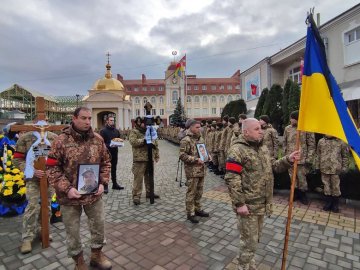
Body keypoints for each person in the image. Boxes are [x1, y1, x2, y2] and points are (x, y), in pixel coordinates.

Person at [225, 118, 300, 270]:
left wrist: (288, 160)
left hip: (262, 204)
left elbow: (273, 166)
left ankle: (250, 264)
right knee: (249, 243)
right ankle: (243, 266)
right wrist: (240, 204)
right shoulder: (236, 150)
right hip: (248, 206)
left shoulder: (262, 147)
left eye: (261, 128)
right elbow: (232, 179)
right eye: (257, 129)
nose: (261, 131)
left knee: (255, 239)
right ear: (246, 132)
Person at [46, 107, 112, 270]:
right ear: (74, 118)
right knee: (72, 230)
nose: (87, 122)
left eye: (89, 118)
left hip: (93, 194)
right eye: (83, 118)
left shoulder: (97, 139)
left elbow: (106, 162)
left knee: (98, 224)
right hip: (70, 196)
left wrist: (102, 183)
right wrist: (67, 189)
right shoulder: (61, 141)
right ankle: (78, 261)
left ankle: (96, 255)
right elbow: (52, 168)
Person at [13, 120, 58, 254]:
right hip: (33, 179)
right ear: (34, 123)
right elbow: (17, 158)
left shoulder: (53, 138)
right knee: (32, 206)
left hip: (48, 178)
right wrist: (31, 170)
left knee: (47, 205)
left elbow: (58, 158)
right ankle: (27, 237)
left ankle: (43, 230)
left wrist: (51, 170)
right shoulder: (25, 138)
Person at [179, 119, 210, 224]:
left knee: (199, 191)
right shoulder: (186, 140)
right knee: (191, 192)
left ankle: (198, 209)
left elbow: (203, 150)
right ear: (190, 127)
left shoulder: (200, 137)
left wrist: (207, 156)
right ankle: (190, 213)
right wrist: (196, 159)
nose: (199, 128)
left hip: (201, 169)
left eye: (199, 127)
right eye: (197, 127)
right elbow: (182, 155)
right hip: (192, 171)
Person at [283, 110, 315, 205]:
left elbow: (311, 144)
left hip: (301, 159)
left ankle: (303, 195)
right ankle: (294, 194)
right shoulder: (287, 129)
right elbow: (284, 142)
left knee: (301, 178)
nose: (290, 120)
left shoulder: (307, 128)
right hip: (290, 159)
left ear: (297, 119)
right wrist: (286, 155)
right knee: (292, 178)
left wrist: (309, 158)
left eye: (292, 118)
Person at [129, 116, 160, 205]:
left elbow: (156, 143)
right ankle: (136, 196)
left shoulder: (151, 131)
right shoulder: (135, 131)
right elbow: (133, 142)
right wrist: (144, 140)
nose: (147, 126)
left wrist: (157, 155)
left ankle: (150, 192)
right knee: (138, 178)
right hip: (139, 159)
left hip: (149, 158)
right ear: (140, 123)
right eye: (146, 124)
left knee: (149, 177)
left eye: (149, 124)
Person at [316, 135, 349, 212]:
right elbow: (318, 155)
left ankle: (335, 204)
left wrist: (344, 168)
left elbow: (345, 156)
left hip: (335, 169)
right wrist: (317, 166)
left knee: (335, 187)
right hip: (324, 168)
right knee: (326, 186)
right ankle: (328, 202)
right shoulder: (321, 141)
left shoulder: (340, 142)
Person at [100, 116, 124, 193]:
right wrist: (110, 144)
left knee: (114, 168)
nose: (112, 121)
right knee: (106, 169)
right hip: (106, 153)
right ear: (107, 121)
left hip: (114, 152)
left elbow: (119, 140)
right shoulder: (103, 131)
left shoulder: (116, 131)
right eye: (110, 120)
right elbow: (101, 143)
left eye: (113, 120)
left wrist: (119, 144)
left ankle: (114, 184)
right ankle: (105, 185)